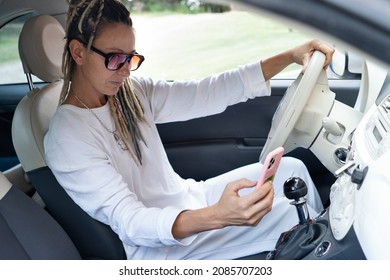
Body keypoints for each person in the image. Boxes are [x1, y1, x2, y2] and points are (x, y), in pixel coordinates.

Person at [44, 0, 334, 260]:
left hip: (192, 197)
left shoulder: (130, 93)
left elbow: (206, 92)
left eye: (131, 58)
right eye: (115, 58)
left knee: (292, 169)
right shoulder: (68, 137)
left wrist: (289, 57)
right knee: (288, 213)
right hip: (166, 247)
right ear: (78, 52)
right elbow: (131, 221)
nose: (125, 71)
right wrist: (218, 216)